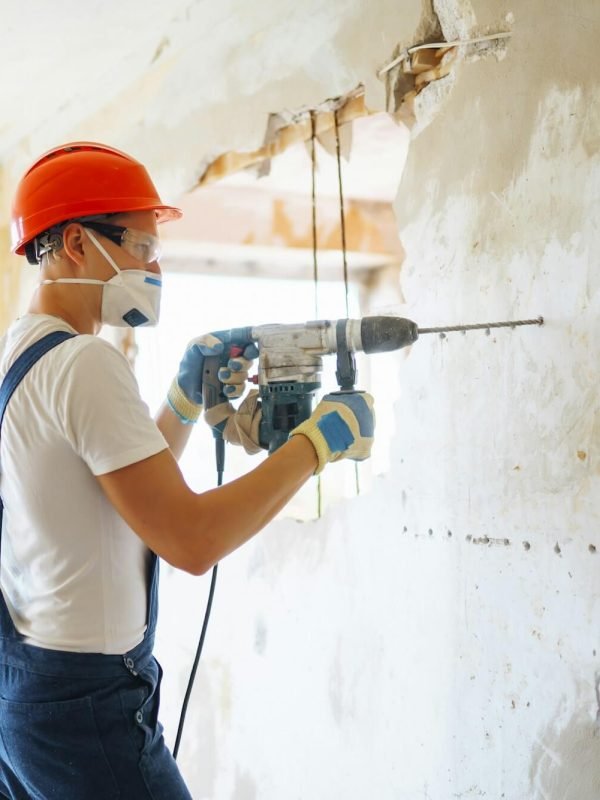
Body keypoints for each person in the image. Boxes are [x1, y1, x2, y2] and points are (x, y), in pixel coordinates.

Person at [0, 142, 375, 799]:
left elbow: (109, 497)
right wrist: (318, 443)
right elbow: (191, 541)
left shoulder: (20, 351)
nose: (154, 265)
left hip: (27, 688)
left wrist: (179, 403)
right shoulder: (87, 362)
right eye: (142, 246)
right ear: (78, 244)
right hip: (86, 706)